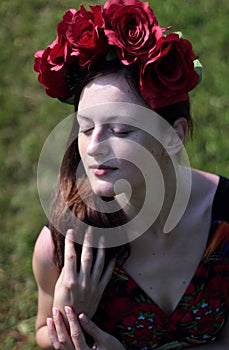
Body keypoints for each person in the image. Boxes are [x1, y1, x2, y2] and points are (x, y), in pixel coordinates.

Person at [32, 0, 229, 349]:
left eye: (121, 130)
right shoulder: (62, 245)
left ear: (174, 135)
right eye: (85, 128)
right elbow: (42, 335)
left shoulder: (225, 219)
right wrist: (68, 320)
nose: (94, 147)